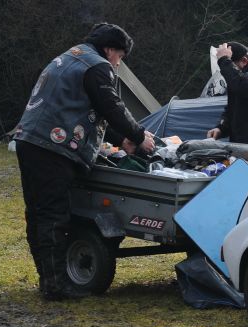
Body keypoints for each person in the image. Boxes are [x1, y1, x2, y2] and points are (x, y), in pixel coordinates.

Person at [14, 23, 155, 300]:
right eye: (120, 56)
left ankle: (48, 278)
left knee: (38, 212)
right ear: (110, 49)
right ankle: (56, 285)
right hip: (53, 147)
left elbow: (89, 108)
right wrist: (139, 136)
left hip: (29, 140)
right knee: (54, 214)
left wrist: (121, 139)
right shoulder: (98, 66)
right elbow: (112, 107)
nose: (118, 63)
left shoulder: (70, 56)